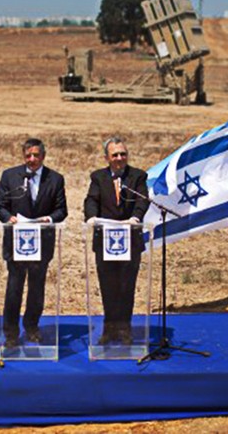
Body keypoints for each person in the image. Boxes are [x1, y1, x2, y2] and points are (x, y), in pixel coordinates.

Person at [0, 138, 67, 345]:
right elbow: (0, 205)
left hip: (42, 242)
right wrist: (8, 218)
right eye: (28, 155)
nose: (32, 159)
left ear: (43, 156)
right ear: (23, 156)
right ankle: (10, 333)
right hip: (16, 242)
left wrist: (49, 219)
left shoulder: (55, 179)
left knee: (36, 288)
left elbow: (61, 210)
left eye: (36, 155)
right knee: (14, 288)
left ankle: (32, 327)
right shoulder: (10, 176)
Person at [84, 137, 150, 344]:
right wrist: (91, 217)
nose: (120, 158)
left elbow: (142, 200)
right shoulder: (98, 177)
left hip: (131, 239)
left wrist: (135, 218)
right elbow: (91, 200)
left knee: (126, 285)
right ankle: (109, 328)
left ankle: (125, 328)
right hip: (105, 240)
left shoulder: (138, 176)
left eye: (123, 154)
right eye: (115, 155)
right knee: (108, 285)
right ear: (107, 158)